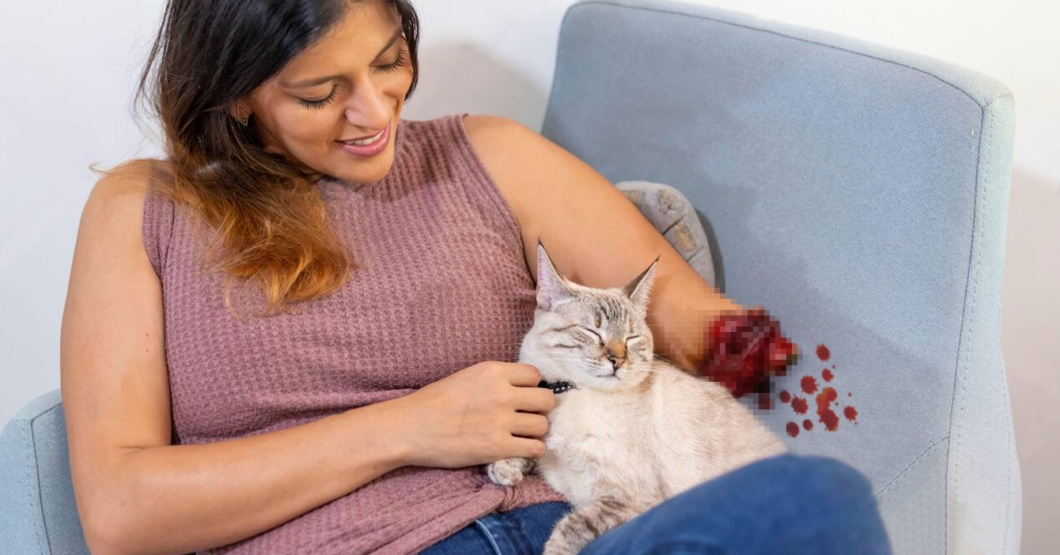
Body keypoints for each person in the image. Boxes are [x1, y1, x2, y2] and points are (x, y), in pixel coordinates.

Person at [60, 1, 892, 554]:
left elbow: (678, 310)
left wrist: (793, 361)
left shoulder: (488, 156)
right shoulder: (142, 209)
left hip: (570, 530)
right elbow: (122, 510)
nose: (376, 111)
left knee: (812, 497)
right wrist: (410, 426)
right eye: (322, 92)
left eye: (389, 62)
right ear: (239, 96)